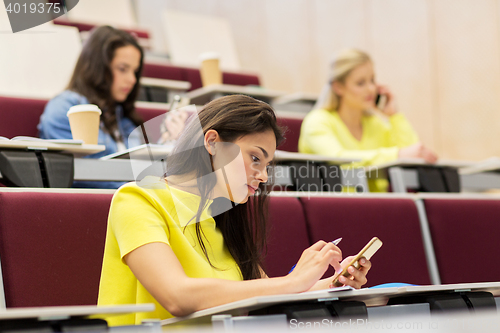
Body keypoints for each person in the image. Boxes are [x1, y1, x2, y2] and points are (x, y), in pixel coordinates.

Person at [97, 95, 372, 326]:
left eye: (266, 165)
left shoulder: (221, 217)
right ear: (212, 142)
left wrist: (335, 283)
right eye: (255, 158)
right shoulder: (136, 200)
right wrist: (294, 281)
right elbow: (178, 297)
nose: (263, 176)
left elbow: (264, 292)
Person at [298, 49, 438, 192]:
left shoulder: (375, 124)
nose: (371, 89)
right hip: (333, 208)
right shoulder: (317, 122)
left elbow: (414, 154)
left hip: (376, 208)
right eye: (360, 83)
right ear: (338, 87)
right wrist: (396, 155)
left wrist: (394, 116)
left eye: (372, 80)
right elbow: (338, 159)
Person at [38, 25, 144, 188]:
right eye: (123, 69)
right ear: (98, 67)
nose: (132, 79)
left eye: (135, 72)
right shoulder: (65, 109)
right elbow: (80, 173)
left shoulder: (120, 113)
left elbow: (142, 167)